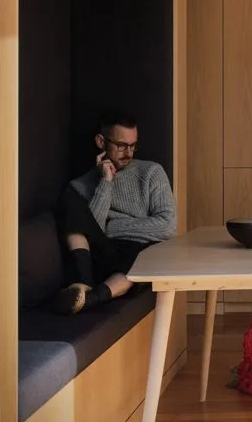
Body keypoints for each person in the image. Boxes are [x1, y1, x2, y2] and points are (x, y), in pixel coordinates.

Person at [52, 109, 177, 315]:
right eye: (121, 146)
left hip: (136, 254)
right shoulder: (82, 185)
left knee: (146, 254)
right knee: (70, 199)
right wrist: (106, 182)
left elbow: (168, 225)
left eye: (133, 146)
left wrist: (111, 226)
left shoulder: (152, 172)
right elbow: (91, 232)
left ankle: (91, 298)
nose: (128, 153)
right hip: (98, 255)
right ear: (101, 142)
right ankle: (83, 282)